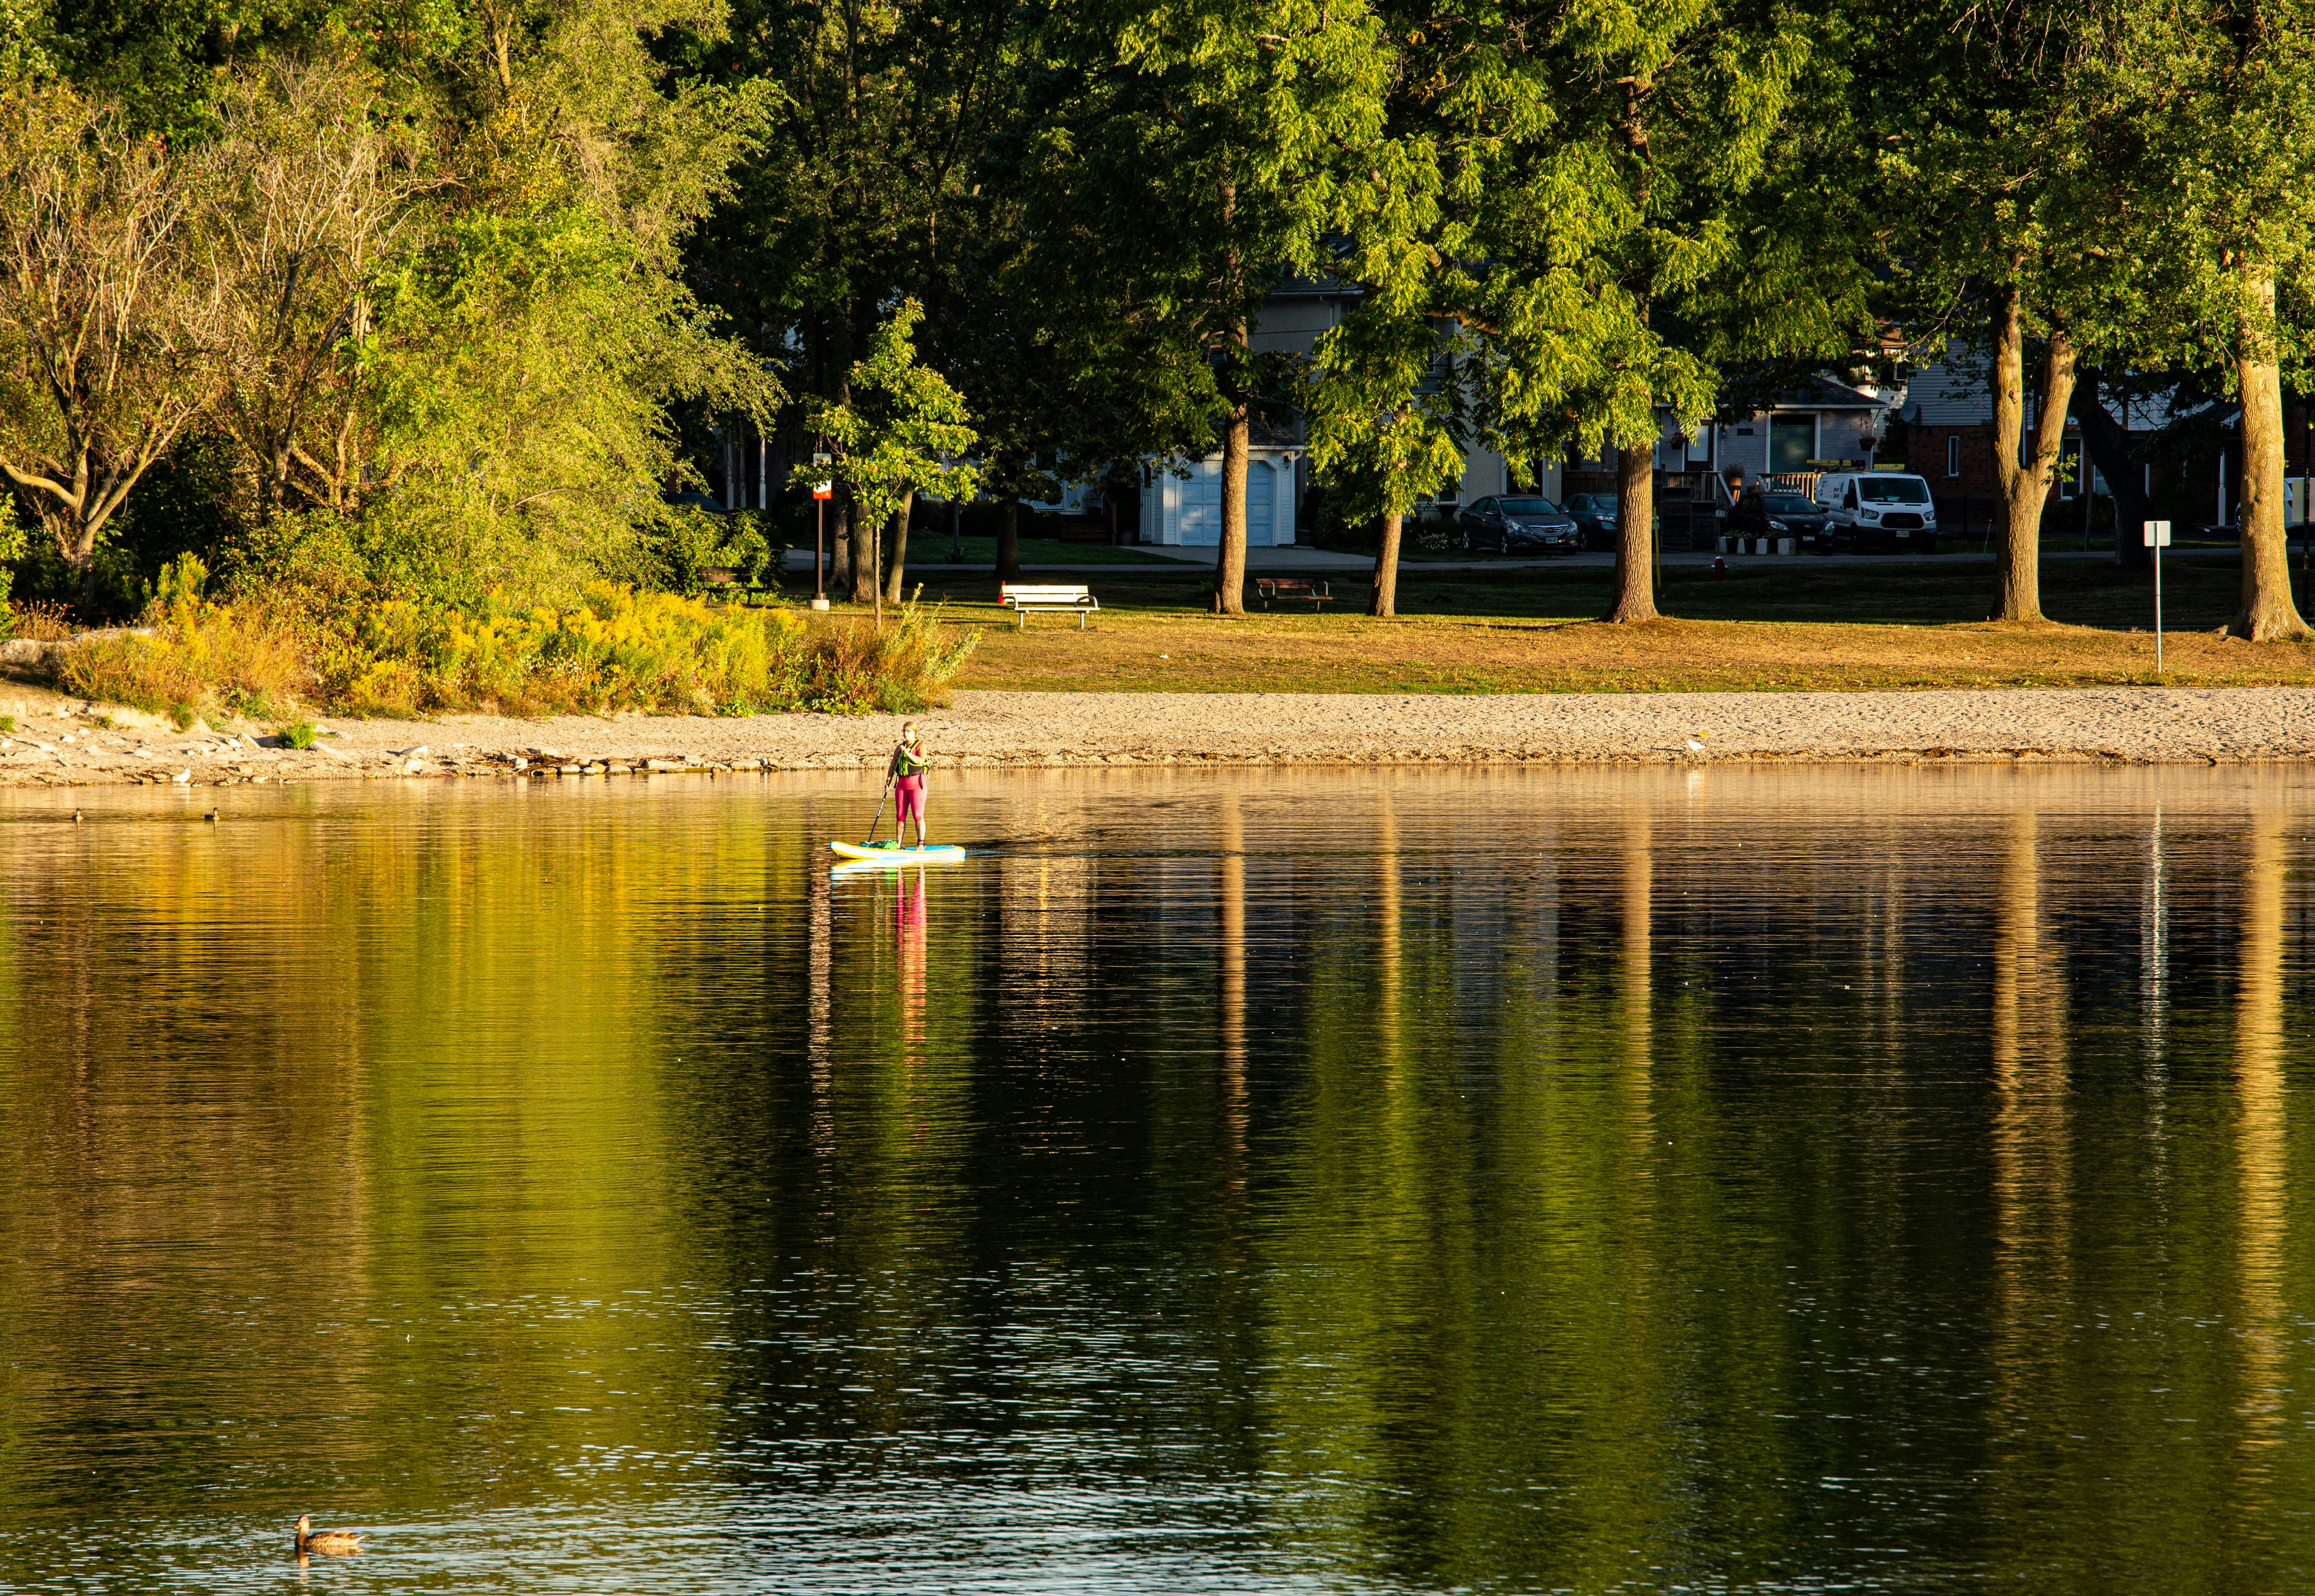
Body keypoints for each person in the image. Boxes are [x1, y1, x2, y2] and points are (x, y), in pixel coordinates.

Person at [885, 721, 930, 849]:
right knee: (900, 816)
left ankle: (921, 844)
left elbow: (921, 761)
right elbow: (893, 765)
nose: (905, 733)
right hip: (902, 784)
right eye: (904, 731)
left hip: (917, 784)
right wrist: (888, 781)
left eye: (908, 731)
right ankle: (899, 845)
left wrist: (908, 753)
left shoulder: (921, 746)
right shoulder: (900, 747)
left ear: (915, 733)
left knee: (918, 815)